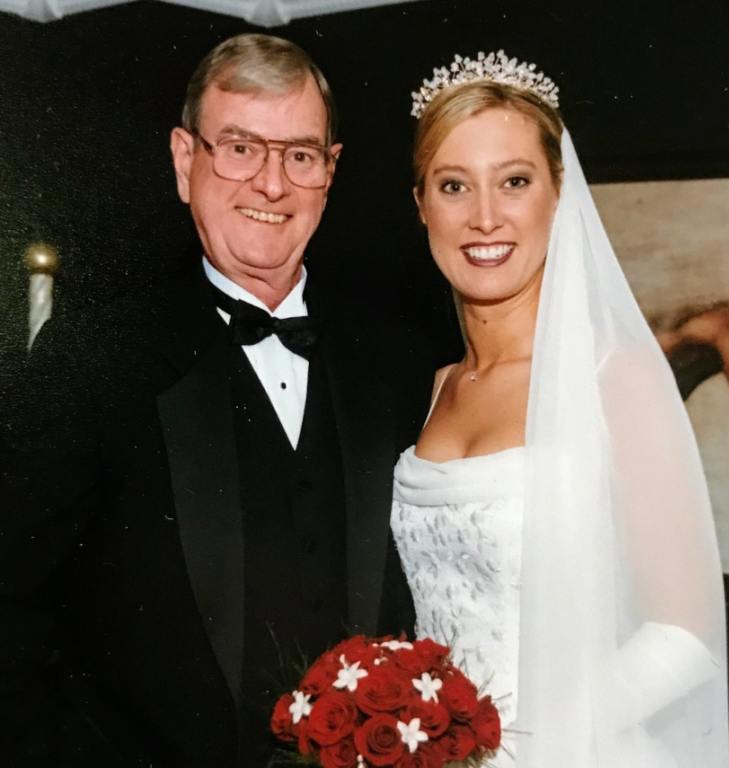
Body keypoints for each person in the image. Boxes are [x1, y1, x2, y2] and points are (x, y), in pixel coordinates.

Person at [0, 34, 431, 766]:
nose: (271, 184)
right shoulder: (93, 357)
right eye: (239, 147)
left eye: (299, 154)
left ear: (330, 171)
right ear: (183, 159)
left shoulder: (397, 359)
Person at [391, 52, 729, 767]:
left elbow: (687, 634)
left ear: (558, 191)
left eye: (514, 181)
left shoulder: (617, 379)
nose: (485, 216)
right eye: (454, 185)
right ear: (421, 203)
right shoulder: (434, 389)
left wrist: (511, 747)